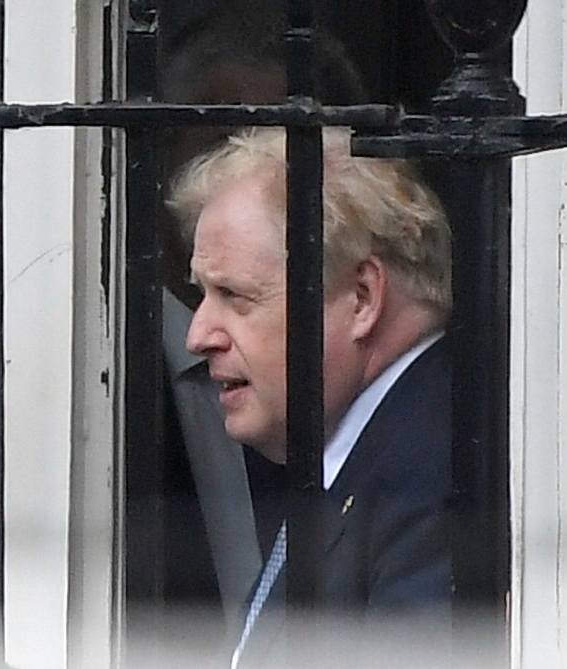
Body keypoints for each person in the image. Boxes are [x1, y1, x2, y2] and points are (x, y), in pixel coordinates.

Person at [168, 126, 453, 666]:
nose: (198, 335)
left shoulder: (431, 479)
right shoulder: (361, 454)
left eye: (234, 294)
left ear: (362, 298)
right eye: (202, 294)